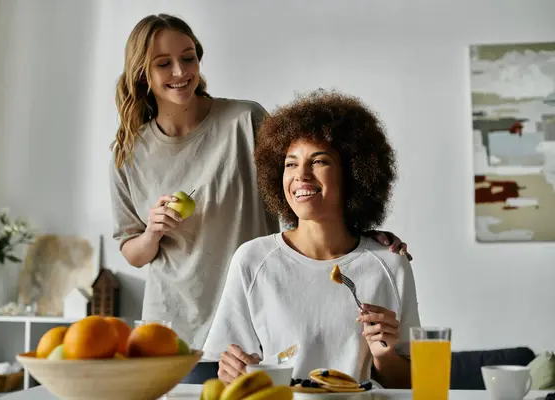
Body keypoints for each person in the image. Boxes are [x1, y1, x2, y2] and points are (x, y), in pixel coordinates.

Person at [109, 14, 411, 350]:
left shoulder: (245, 120)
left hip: (253, 323)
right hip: (170, 328)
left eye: (188, 57)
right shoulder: (128, 153)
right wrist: (152, 233)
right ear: (141, 73)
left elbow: (307, 184)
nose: (180, 72)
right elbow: (132, 253)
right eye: (164, 63)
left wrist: (360, 236)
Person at [202, 89, 421, 389]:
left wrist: (383, 356)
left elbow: (410, 387)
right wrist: (231, 370)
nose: (301, 175)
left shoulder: (389, 264)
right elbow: (230, 367)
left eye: (319, 161)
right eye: (290, 163)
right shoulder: (252, 260)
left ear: (353, 173)